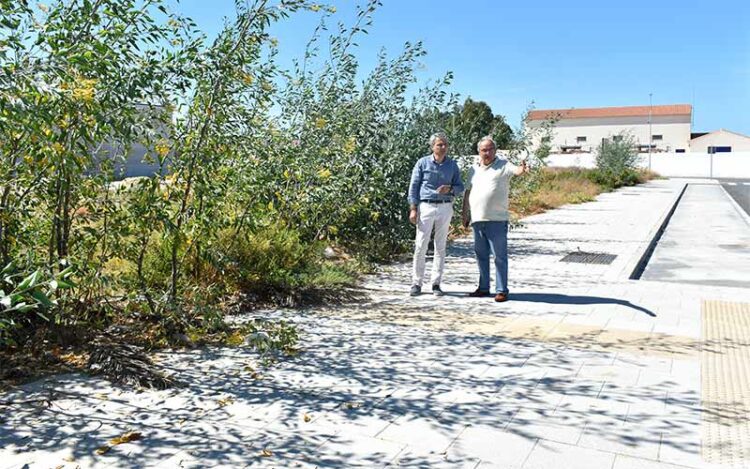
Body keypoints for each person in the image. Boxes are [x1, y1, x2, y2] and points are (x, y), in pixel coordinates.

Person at [462, 136, 529, 302]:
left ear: (495, 150)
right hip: (478, 219)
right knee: (481, 255)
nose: (488, 152)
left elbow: (518, 171)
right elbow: (468, 193)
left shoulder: (503, 165)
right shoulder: (473, 169)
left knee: (499, 256)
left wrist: (523, 168)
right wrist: (465, 214)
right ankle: (483, 287)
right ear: (478, 152)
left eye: (491, 149)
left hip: (497, 220)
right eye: (484, 149)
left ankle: (501, 290)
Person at [407, 132, 464, 296]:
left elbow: (460, 186)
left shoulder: (452, 165)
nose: (443, 147)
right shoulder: (422, 163)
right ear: (432, 146)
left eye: (445, 144)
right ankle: (416, 283)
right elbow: (414, 186)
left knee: (441, 246)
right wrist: (413, 208)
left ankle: (436, 284)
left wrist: (451, 189)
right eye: (440, 144)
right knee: (421, 244)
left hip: (445, 206)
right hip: (426, 206)